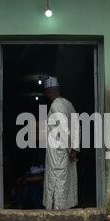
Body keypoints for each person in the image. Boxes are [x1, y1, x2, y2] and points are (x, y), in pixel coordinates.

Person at [42, 76, 79, 209]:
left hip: (59, 152)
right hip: (66, 151)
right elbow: (76, 126)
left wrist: (71, 151)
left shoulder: (56, 105)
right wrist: (75, 148)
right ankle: (63, 211)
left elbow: (63, 130)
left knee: (57, 182)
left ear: (48, 91)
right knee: (64, 182)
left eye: (45, 92)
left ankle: (58, 215)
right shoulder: (67, 103)